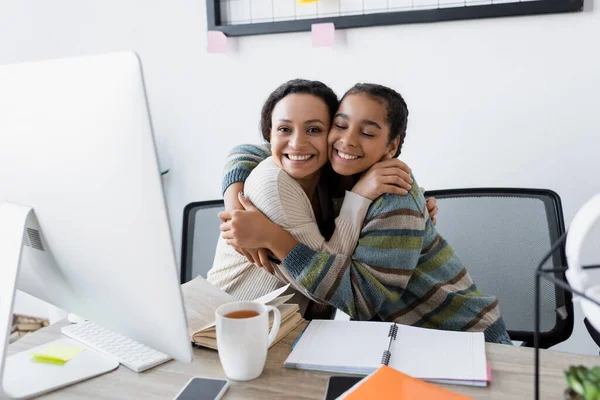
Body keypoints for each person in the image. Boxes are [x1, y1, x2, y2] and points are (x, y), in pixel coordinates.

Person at [215, 80, 511, 344]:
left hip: (457, 335)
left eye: (368, 132)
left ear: (391, 146)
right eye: (341, 126)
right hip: (401, 339)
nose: (348, 140)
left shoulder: (394, 195)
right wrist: (234, 207)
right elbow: (250, 151)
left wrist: (274, 238)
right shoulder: (327, 173)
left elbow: (363, 300)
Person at [207, 79, 416, 310]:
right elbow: (326, 282)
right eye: (284, 129)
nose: (297, 144)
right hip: (226, 324)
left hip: (289, 328)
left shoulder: (328, 175)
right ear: (270, 134)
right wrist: (359, 196)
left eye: (314, 130)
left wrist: (414, 207)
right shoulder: (273, 185)